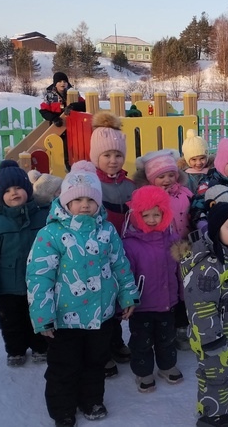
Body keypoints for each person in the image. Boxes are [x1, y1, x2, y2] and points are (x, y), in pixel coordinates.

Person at [26, 161, 139, 425]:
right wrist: (42, 316)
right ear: (65, 202)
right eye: (78, 199)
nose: (85, 204)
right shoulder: (50, 234)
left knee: (95, 362)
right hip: (65, 319)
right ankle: (62, 408)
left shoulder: (107, 231)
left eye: (91, 199)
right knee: (64, 366)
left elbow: (120, 264)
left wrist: (128, 295)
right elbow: (39, 277)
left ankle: (91, 400)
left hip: (100, 315)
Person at [181, 201, 228, 427]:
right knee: (215, 375)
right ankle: (211, 414)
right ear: (216, 230)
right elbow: (201, 307)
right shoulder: (209, 266)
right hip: (213, 335)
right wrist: (211, 337)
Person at [0, 160, 49, 366]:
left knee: (38, 316)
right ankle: (15, 350)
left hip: (39, 283)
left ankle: (40, 346)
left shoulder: (42, 214)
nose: (13, 193)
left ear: (27, 188)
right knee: (10, 321)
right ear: (0, 195)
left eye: (18, 187)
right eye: (7, 190)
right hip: (7, 286)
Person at [122, 186, 186, 392]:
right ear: (137, 215)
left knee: (167, 338)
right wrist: (127, 300)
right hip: (142, 306)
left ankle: (167, 366)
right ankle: (143, 371)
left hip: (168, 303)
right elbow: (125, 275)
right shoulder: (130, 244)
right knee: (142, 341)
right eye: (146, 215)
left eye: (156, 214)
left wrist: (184, 294)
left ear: (164, 214)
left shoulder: (173, 239)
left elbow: (182, 269)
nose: (151, 219)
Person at [89, 111, 135, 373]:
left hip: (124, 252)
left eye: (118, 155)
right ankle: (102, 349)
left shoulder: (130, 185)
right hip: (98, 253)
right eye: (107, 155)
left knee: (119, 299)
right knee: (101, 301)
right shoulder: (90, 184)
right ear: (96, 156)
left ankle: (116, 341)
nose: (113, 160)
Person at [134, 149, 193, 351]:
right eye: (161, 176)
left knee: (184, 287)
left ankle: (181, 328)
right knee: (166, 287)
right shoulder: (148, 198)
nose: (167, 179)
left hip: (184, 246)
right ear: (151, 178)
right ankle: (162, 329)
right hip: (161, 248)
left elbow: (192, 214)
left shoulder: (185, 193)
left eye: (171, 174)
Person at [181, 129, 210, 194]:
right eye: (194, 159)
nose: (198, 163)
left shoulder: (212, 173)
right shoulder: (184, 176)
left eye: (202, 158)